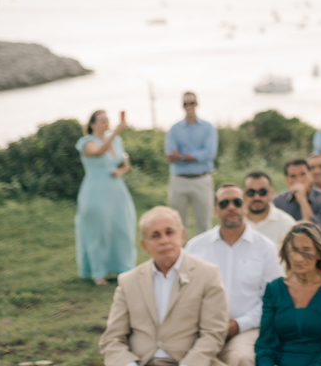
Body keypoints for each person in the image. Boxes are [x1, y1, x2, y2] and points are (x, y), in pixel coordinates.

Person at [98, 206, 229, 366]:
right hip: (142, 362)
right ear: (145, 245)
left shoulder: (207, 274)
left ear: (182, 235)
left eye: (169, 232)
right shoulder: (128, 281)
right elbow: (112, 338)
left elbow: (213, 334)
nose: (164, 241)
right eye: (155, 236)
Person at [187, 183, 284, 366]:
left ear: (245, 207)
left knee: (242, 359)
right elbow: (184, 293)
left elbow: (271, 300)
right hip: (202, 328)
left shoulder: (265, 248)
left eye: (236, 202)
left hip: (246, 329)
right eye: (224, 204)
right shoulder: (196, 247)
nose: (231, 207)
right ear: (215, 210)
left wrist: (239, 324)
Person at [255, 221, 321, 366]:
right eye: (294, 250)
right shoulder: (274, 289)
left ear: (319, 252)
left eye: (306, 250)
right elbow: (265, 346)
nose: (298, 258)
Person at [76, 110, 137, 286]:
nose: (106, 123)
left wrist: (121, 171)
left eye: (107, 120)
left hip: (117, 190)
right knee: (99, 231)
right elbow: (98, 152)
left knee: (122, 227)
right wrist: (116, 132)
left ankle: (124, 268)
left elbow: (125, 161)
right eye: (101, 121)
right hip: (96, 190)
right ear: (92, 125)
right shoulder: (86, 143)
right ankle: (98, 273)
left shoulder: (116, 141)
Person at [166, 92, 219, 237]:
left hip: (201, 179)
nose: (189, 106)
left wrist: (182, 156)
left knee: (204, 224)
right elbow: (170, 155)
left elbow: (209, 154)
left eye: (191, 103)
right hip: (179, 180)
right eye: (186, 103)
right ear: (182, 106)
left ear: (197, 104)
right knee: (177, 225)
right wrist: (196, 156)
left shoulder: (208, 128)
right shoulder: (174, 129)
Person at [273, 159, 321, 227]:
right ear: (287, 181)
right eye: (293, 176)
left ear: (311, 175)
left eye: (303, 174)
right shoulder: (277, 201)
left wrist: (302, 199)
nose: (299, 180)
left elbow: (315, 230)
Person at [245, 171, 297, 247]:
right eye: (251, 192)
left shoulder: (286, 224)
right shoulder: (235, 222)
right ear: (243, 193)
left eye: (262, 192)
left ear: (271, 192)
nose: (257, 197)